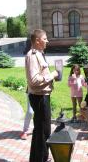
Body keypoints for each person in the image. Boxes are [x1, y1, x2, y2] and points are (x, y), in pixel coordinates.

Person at [25, 29, 59, 162]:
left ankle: (38, 158)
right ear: (38, 41)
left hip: (42, 96)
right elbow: (34, 80)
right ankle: (42, 158)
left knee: (41, 130)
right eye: (45, 39)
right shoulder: (33, 56)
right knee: (43, 131)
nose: (47, 41)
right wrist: (53, 75)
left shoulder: (39, 53)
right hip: (39, 97)